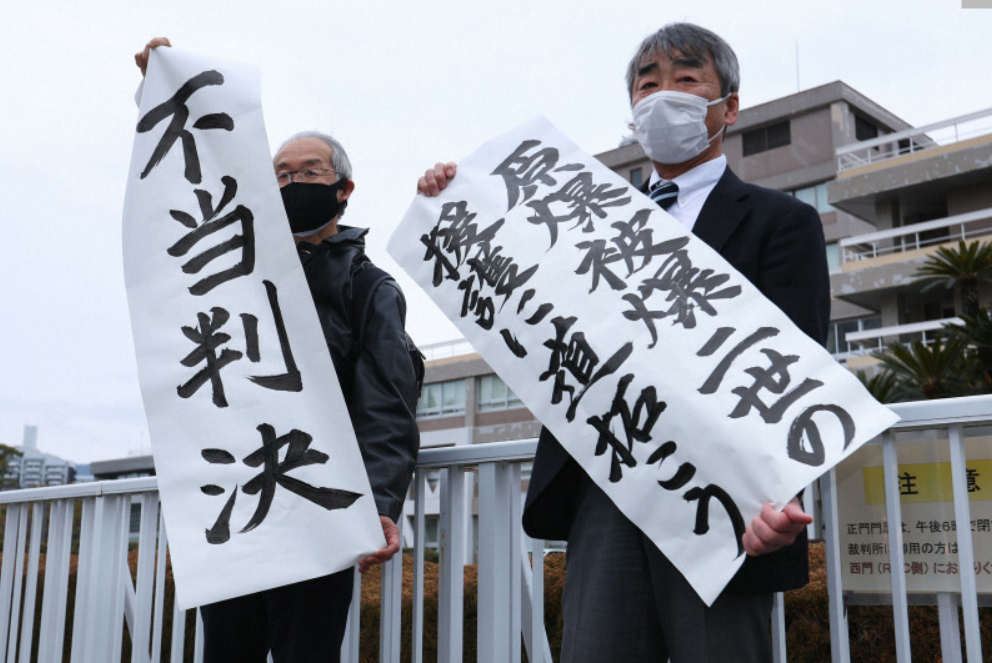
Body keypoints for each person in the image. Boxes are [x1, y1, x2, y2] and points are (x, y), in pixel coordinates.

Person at [418, 22, 829, 663]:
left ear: (730, 105)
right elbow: (514, 293)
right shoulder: (583, 224)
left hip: (723, 501)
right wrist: (451, 203)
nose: (664, 96)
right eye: (648, 85)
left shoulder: (783, 222)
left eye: (687, 80)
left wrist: (776, 492)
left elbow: (796, 368)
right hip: (606, 482)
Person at [136, 39, 420, 663]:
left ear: (345, 189)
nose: (291, 183)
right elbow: (191, 183)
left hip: (317, 505)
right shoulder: (232, 276)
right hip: (238, 506)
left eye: (308, 173)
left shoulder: (368, 287)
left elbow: (387, 405)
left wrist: (375, 505)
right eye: (280, 175)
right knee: (226, 650)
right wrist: (167, 89)